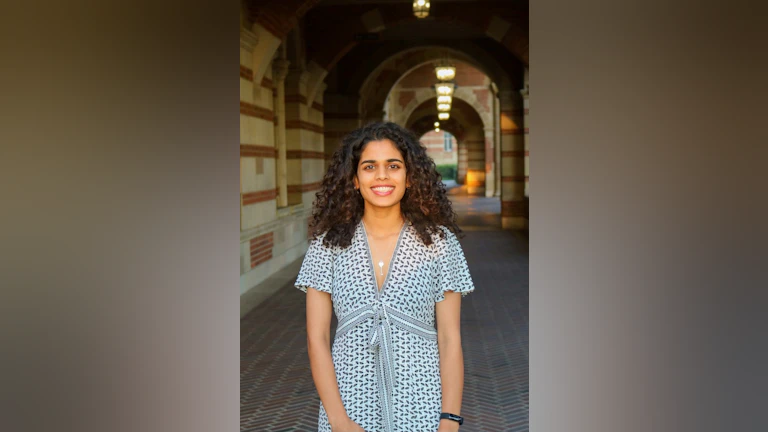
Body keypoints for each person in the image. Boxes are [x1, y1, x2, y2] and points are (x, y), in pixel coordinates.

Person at [295, 122, 475, 432]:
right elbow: (317, 339)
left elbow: (449, 339)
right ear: (354, 179)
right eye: (369, 167)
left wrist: (450, 420)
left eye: (393, 166)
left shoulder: (439, 243)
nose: (382, 176)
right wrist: (339, 421)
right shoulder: (328, 245)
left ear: (409, 177)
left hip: (422, 404)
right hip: (348, 405)